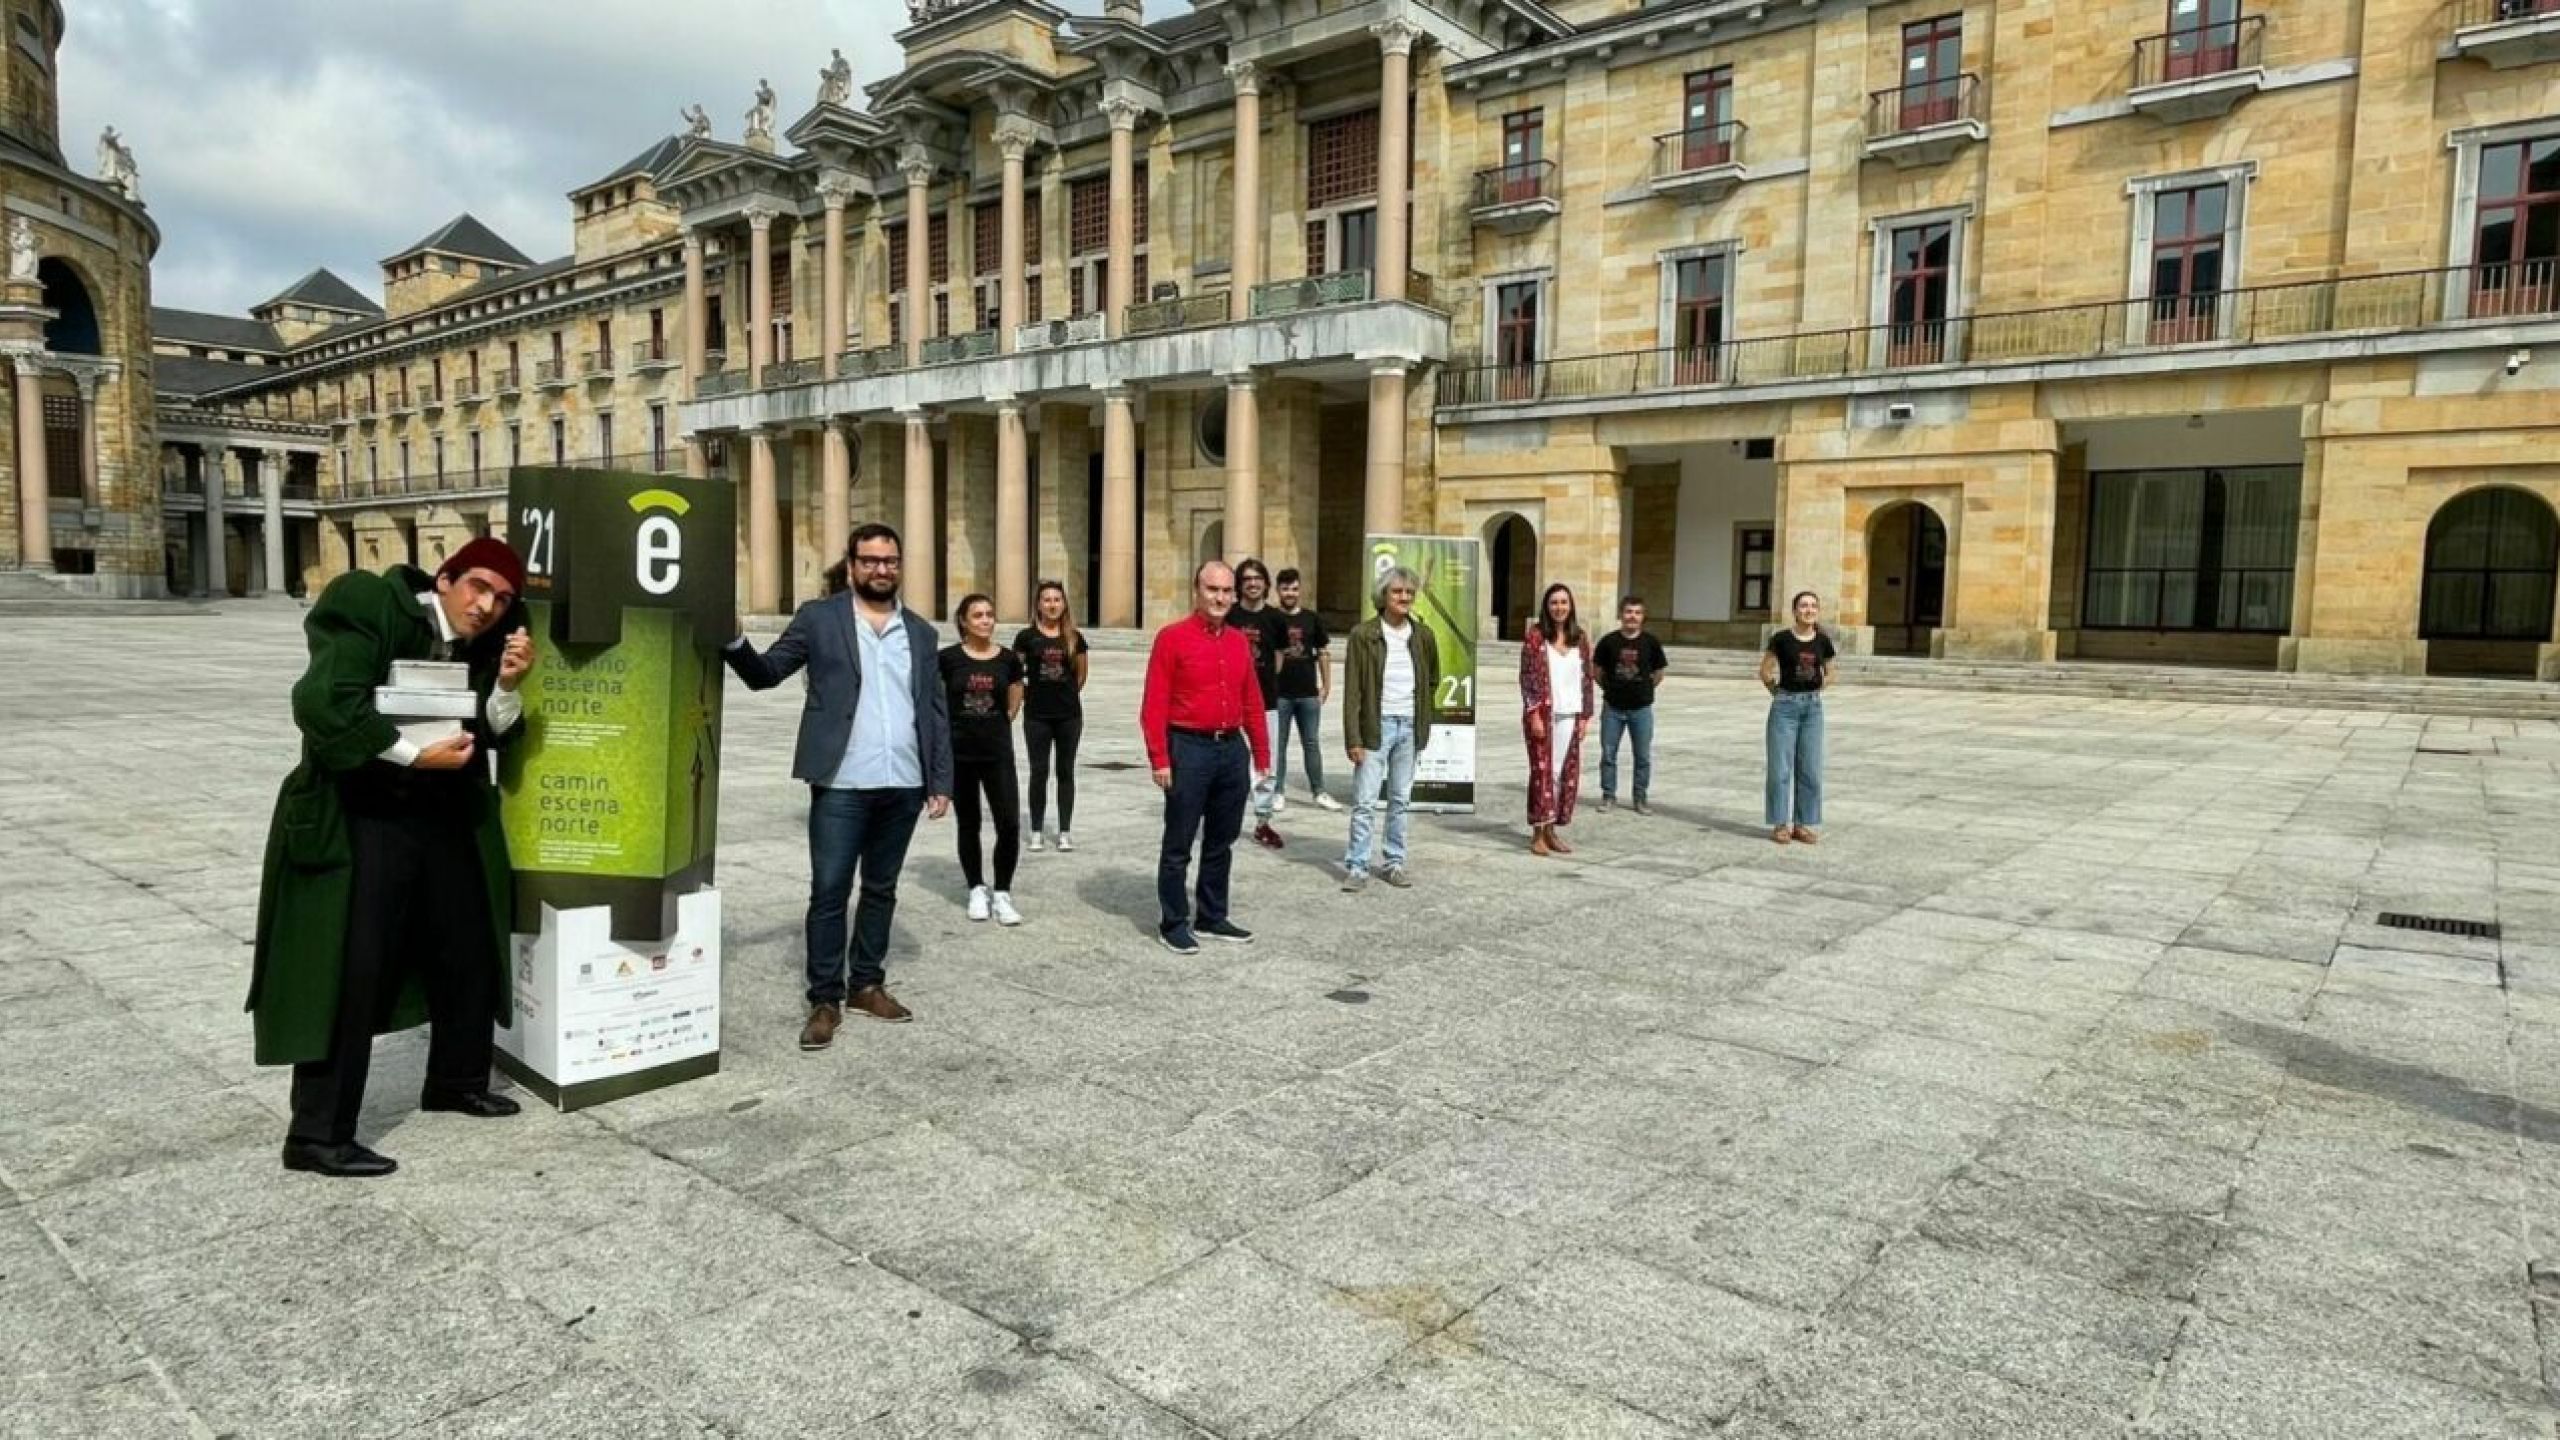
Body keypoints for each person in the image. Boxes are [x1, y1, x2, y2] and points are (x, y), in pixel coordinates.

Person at [250, 537, 536, 1179]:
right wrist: (411, 755)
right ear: (446, 577)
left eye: (502, 599)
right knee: (352, 968)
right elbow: (324, 704)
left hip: (444, 818)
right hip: (363, 815)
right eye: (479, 587)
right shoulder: (370, 602)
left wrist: (509, 684)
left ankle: (457, 1080)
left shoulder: (484, 643)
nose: (487, 606)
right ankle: (317, 1135)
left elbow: (487, 727)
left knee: (466, 945)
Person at [725, 523, 952, 1049]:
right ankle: (825, 997)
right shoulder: (819, 619)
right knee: (829, 891)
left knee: (881, 888)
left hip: (903, 781)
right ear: (851, 566)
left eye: (890, 561)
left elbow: (934, 711)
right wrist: (735, 640)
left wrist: (940, 778)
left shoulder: (920, 632)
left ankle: (866, 984)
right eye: (870, 560)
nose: (881, 569)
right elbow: (765, 673)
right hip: (841, 782)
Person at [1139, 560, 1272, 954]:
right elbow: (1154, 703)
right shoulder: (1171, 638)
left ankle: (1212, 915)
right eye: (1212, 589)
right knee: (1179, 841)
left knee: (1222, 839)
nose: (1220, 597)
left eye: (1226, 591)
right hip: (1188, 748)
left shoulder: (1237, 642)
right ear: (1196, 591)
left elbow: (1252, 699)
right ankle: (1173, 921)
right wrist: (1159, 757)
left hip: (1231, 749)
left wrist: (1261, 753)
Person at [1339, 565, 1439, 892]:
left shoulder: (1423, 636)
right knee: (1365, 801)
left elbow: (1433, 679)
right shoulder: (1363, 635)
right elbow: (1352, 690)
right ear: (1383, 596)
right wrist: (1353, 738)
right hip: (1374, 727)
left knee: (1399, 799)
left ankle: (1394, 862)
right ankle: (1357, 866)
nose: (1404, 597)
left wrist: (1422, 715)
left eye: (1409, 592)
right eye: (1397, 592)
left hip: (1409, 726)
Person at [941, 594, 1025, 926]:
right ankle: (976, 887)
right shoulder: (947, 659)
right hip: (960, 752)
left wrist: (1008, 714)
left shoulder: (1007, 659)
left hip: (997, 752)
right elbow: (935, 699)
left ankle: (1002, 891)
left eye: (990, 614)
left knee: (1009, 823)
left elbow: (1016, 688)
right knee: (969, 823)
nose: (986, 620)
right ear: (963, 621)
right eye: (978, 615)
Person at [1519, 581, 1594, 857]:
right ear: (1546, 607)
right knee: (1543, 772)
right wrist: (1534, 713)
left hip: (1570, 714)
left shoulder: (1580, 638)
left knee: (1563, 774)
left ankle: (1552, 831)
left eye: (1563, 602)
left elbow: (1587, 679)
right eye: (1554, 603)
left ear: (1570, 605)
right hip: (1544, 715)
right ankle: (1538, 832)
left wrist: (1585, 716)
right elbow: (1527, 678)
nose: (1559, 607)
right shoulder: (1536, 637)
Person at [1014, 579, 1089, 853]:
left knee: (1065, 771)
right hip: (1037, 715)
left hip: (1068, 715)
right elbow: (1016, 673)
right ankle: (1036, 829)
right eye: (1047, 599)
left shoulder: (1075, 638)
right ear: (1038, 605)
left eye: (1057, 599)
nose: (1052, 604)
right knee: (1039, 772)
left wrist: (1065, 694)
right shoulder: (1026, 637)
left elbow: (1080, 675)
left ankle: (1064, 831)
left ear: (1064, 604)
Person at [1761, 589, 1837, 845]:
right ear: (1794, 611)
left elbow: (1831, 673)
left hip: (1813, 710)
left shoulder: (1823, 641)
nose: (1808, 610)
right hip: (1785, 708)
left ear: (1818, 611)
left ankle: (1802, 824)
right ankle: (1780, 823)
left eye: (1813, 606)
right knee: (1780, 770)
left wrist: (1814, 692)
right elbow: (1765, 671)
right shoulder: (1781, 639)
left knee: (1810, 770)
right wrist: (1779, 694)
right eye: (1803, 606)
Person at [1269, 568, 1341, 815]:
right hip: (1279, 694)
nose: (1290, 593)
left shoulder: (1312, 619)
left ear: (1300, 590)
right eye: (1285, 588)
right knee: (1279, 744)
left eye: (1294, 589)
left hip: (1308, 693)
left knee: (1311, 743)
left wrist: (1326, 685)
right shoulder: (1271, 618)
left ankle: (1319, 791)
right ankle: (1277, 791)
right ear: (1277, 590)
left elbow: (1322, 652)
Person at [1593, 595, 1670, 815]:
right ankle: (1608, 796)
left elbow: (1658, 673)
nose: (1632, 617)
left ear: (1643, 617)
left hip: (1641, 709)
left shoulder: (1651, 642)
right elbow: (1597, 671)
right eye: (1628, 612)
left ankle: (1640, 798)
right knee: (1608, 754)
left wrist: (1643, 691)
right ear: (1620, 615)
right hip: (1613, 708)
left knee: (1642, 756)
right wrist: (1610, 689)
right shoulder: (1608, 642)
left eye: (1637, 613)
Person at [1234, 557, 1289, 850]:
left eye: (1257, 579)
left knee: (1266, 762)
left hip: (1266, 700)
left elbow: (1279, 656)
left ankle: (1262, 821)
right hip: (1230, 701)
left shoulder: (1276, 618)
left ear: (1266, 584)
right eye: (1246, 579)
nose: (1252, 584)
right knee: (1229, 761)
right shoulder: (1229, 616)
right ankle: (1223, 816)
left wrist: (1263, 681)